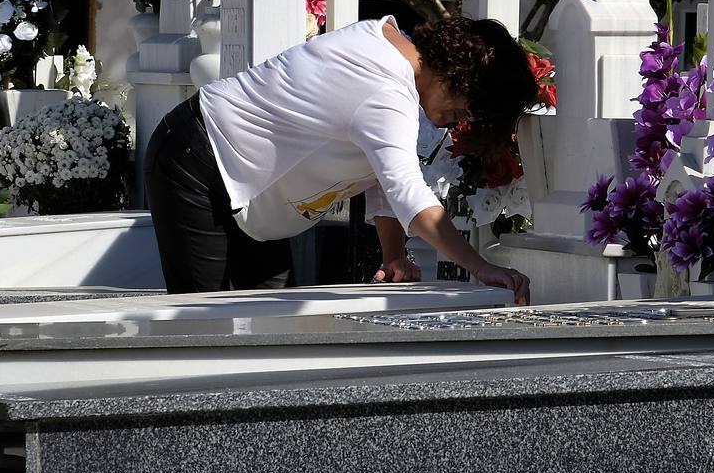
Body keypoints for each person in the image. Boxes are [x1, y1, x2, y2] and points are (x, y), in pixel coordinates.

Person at [143, 15, 537, 303]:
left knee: (267, 329)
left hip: (247, 192)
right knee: (204, 322)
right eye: (468, 110)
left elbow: (384, 178)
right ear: (459, 76)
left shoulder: (396, 57)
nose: (462, 121)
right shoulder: (388, 91)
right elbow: (408, 194)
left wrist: (394, 257)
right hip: (200, 163)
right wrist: (478, 266)